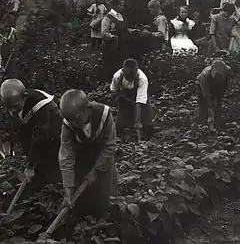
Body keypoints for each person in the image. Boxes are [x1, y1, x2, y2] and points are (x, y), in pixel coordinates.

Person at [59, 89, 118, 218]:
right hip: (82, 159)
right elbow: (66, 156)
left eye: (77, 119)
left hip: (103, 159)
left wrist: (96, 170)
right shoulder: (68, 126)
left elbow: (109, 146)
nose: (74, 124)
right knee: (82, 202)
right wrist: (68, 189)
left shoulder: (104, 114)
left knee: (105, 196)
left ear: (88, 108)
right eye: (71, 120)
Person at [0, 79, 62, 188]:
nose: (13, 110)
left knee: (53, 171)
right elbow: (21, 133)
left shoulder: (43, 106)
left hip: (54, 139)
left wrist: (30, 166)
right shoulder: (13, 106)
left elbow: (40, 137)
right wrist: (29, 159)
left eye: (16, 106)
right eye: (9, 107)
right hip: (36, 141)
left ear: (25, 96)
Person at [110, 58, 154, 142]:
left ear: (136, 70)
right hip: (124, 100)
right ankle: (119, 139)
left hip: (140, 102)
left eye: (132, 76)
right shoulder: (117, 76)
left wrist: (137, 121)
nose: (130, 79)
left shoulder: (142, 79)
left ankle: (146, 140)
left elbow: (140, 102)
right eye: (128, 76)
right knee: (120, 124)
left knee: (146, 123)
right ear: (123, 70)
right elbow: (114, 91)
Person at [196, 60, 232, 130]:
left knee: (218, 105)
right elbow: (206, 94)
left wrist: (219, 98)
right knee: (204, 105)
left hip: (218, 86)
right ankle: (203, 124)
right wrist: (210, 105)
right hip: (200, 86)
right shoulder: (204, 77)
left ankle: (218, 123)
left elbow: (226, 85)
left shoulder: (227, 71)